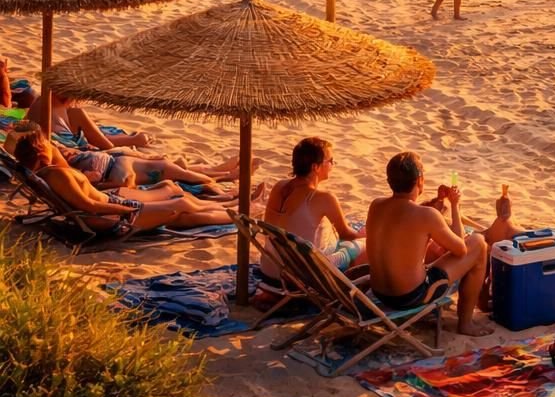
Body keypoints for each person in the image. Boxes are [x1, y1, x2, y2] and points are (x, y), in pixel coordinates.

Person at [11, 129, 239, 235]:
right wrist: (126, 210)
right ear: (42, 153)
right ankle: (237, 214)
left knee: (176, 200)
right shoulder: (58, 175)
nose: (53, 146)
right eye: (48, 145)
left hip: (107, 209)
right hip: (107, 218)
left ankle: (231, 210)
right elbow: (89, 206)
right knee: (181, 205)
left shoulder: (49, 174)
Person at [365, 152, 492, 336]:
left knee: (438, 249)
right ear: (419, 180)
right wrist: (455, 206)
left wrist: (438, 202)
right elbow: (461, 249)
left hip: (380, 292)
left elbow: (408, 219)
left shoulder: (376, 205)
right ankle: (466, 324)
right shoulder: (426, 215)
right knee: (479, 244)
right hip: (410, 296)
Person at [261, 137, 365, 279]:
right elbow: (346, 234)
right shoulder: (323, 198)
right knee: (364, 244)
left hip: (271, 267)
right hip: (300, 273)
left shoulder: (279, 187)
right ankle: (348, 289)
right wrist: (368, 236)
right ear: (315, 167)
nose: (332, 165)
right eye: (330, 161)